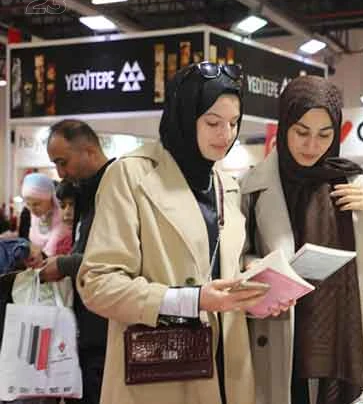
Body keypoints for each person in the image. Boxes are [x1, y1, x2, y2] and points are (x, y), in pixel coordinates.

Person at [77, 62, 270, 404]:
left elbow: (218, 264)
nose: (225, 135)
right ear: (184, 114)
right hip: (161, 371)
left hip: (228, 368)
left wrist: (256, 282)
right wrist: (190, 300)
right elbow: (97, 283)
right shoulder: (131, 175)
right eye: (212, 122)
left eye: (233, 123)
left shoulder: (226, 184)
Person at [240, 75, 363, 404]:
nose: (312, 146)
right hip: (280, 342)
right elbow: (237, 259)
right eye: (301, 132)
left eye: (324, 135)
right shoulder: (252, 187)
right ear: (284, 125)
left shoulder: (350, 184)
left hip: (344, 344)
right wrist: (262, 269)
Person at [38, 119, 115, 404]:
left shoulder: (118, 187)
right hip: (86, 334)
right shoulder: (86, 191)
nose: (60, 172)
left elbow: (119, 259)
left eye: (63, 161)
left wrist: (65, 265)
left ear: (89, 151)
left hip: (109, 336)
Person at [20, 173, 65, 268]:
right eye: (28, 204)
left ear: (50, 199)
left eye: (37, 204)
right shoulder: (31, 215)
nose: (32, 209)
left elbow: (52, 250)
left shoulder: (63, 218)